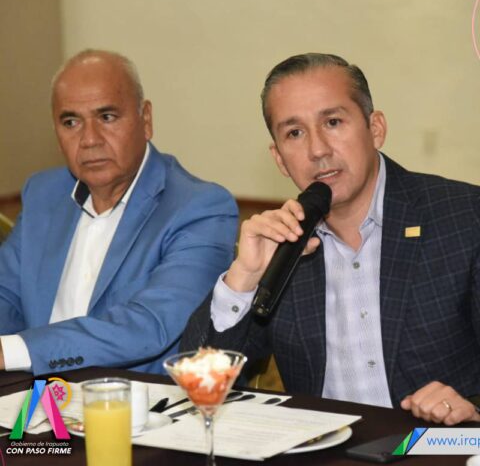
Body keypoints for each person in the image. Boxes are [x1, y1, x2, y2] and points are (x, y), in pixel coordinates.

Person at [181, 53, 480, 426]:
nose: (318, 150)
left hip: (442, 448)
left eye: (333, 122)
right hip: (321, 449)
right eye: (294, 133)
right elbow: (201, 386)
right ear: (279, 158)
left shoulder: (464, 217)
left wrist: (473, 414)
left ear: (375, 129)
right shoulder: (283, 246)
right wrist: (243, 278)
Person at [0, 49, 238, 375]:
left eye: (107, 117)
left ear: (146, 120)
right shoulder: (43, 194)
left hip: (138, 401)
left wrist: (12, 351)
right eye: (71, 122)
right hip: (37, 395)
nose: (89, 139)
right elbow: (5, 295)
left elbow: (148, 325)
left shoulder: (200, 208)